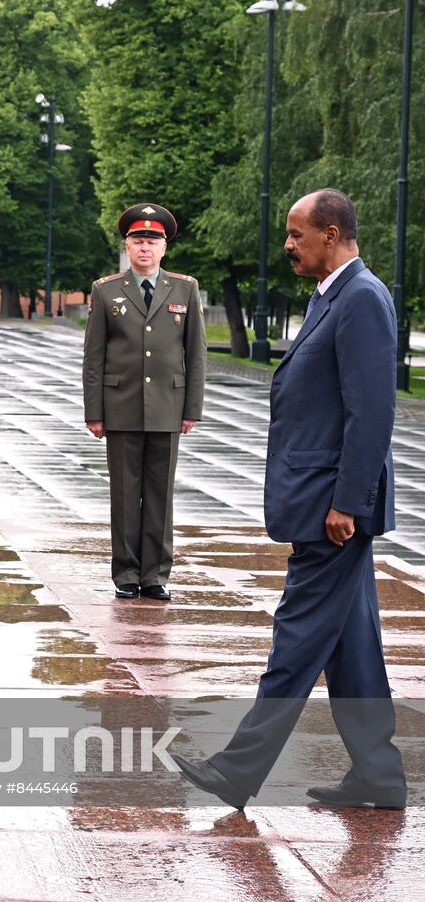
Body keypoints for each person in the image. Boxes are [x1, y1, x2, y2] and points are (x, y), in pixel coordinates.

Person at [173, 189, 406, 810]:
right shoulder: (334, 296)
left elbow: (372, 411)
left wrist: (348, 503)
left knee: (297, 636)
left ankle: (238, 769)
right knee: (353, 646)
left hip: (333, 508)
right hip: (322, 497)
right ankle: (378, 775)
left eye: (297, 234)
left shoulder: (360, 298)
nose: (288, 244)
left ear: (331, 235)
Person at [81, 203, 205, 602]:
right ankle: (127, 574)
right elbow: (94, 355)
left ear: (164, 248)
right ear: (127, 246)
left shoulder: (185, 288)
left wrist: (192, 409)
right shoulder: (106, 290)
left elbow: (196, 353)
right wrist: (94, 412)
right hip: (120, 405)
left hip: (169, 405)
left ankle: (155, 575)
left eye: (153, 241)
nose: (145, 248)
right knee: (124, 493)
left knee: (160, 494)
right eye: (138, 240)